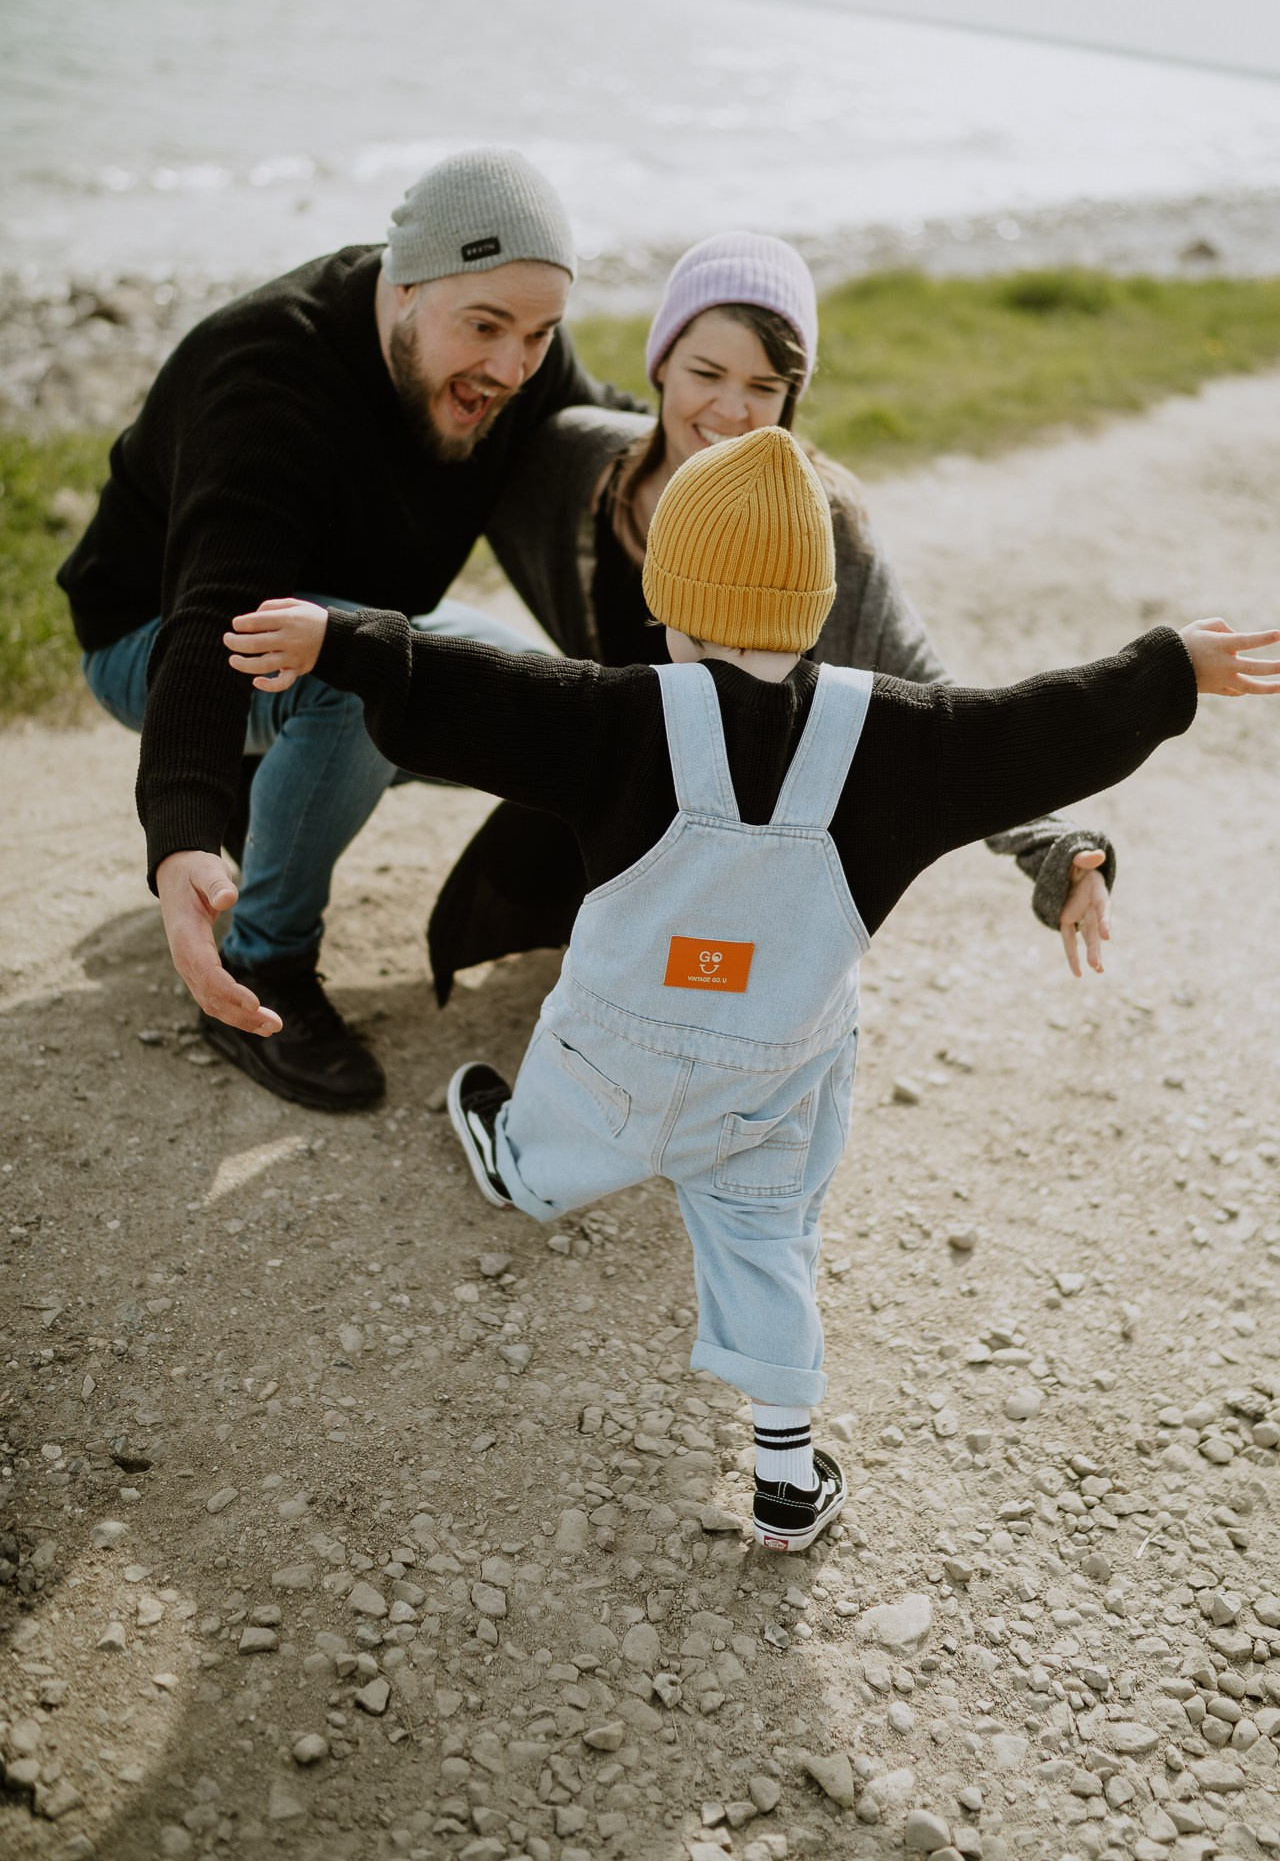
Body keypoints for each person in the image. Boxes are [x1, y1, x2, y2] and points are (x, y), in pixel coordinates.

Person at [222, 428, 1279, 1551]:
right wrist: (1168, 666)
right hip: (768, 1079)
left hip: (613, 1057)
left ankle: (520, 1170)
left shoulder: (617, 714)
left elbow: (485, 692)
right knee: (765, 1238)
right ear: (817, 607)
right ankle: (782, 1475)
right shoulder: (898, 737)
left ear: (663, 595)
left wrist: (347, 640)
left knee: (555, 1124)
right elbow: (1039, 725)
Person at [59, 147, 642, 1111]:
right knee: (353, 672)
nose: (511, 367)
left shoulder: (517, 356)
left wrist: (717, 446)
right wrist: (182, 832)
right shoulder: (266, 376)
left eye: (540, 334)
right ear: (404, 283)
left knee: (542, 709)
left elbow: (605, 420)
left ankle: (276, 784)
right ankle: (265, 966)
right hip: (154, 638)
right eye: (486, 326)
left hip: (350, 626)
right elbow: (214, 620)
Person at [432, 231, 1116, 1005]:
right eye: (706, 373)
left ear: (792, 396)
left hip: (750, 841)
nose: (731, 408)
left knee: (703, 1003)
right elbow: (451, 479)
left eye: (764, 385)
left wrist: (1054, 846)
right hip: (612, 792)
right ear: (660, 367)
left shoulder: (821, 526)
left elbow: (936, 700)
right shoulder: (581, 467)